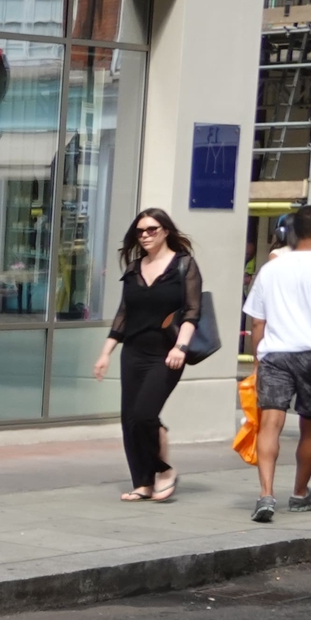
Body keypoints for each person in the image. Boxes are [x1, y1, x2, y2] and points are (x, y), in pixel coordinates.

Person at [244, 203, 311, 521]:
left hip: (275, 355)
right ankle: (300, 492)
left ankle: (266, 495)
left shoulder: (272, 268)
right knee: (310, 428)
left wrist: (257, 360)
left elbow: (257, 323)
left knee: (270, 425)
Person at [90, 207, 200, 502]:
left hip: (167, 353)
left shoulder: (184, 265)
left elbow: (192, 312)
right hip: (134, 352)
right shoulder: (134, 268)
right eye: (140, 231)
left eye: (152, 229)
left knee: (144, 414)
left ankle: (164, 470)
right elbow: (123, 315)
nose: (146, 235)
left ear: (165, 231)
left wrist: (181, 347)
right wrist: (106, 353)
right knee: (130, 419)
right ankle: (142, 483)